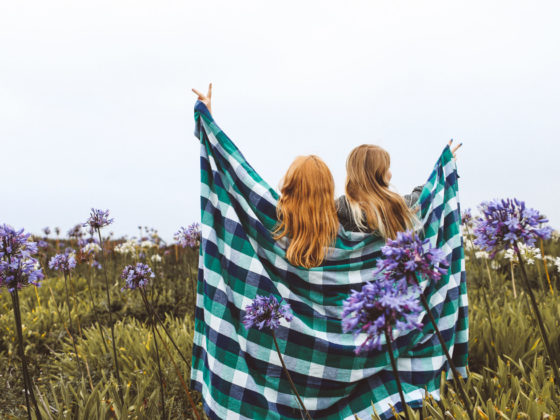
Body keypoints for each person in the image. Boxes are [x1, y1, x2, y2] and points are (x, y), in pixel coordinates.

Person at [193, 84, 338, 269]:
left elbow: (238, 172)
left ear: (290, 184)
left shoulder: (271, 212)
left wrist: (208, 121)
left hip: (270, 299)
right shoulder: (341, 236)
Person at [337, 142, 461, 236]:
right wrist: (444, 169)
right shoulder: (396, 206)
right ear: (377, 173)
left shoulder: (336, 209)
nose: (390, 174)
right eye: (387, 168)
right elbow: (425, 195)